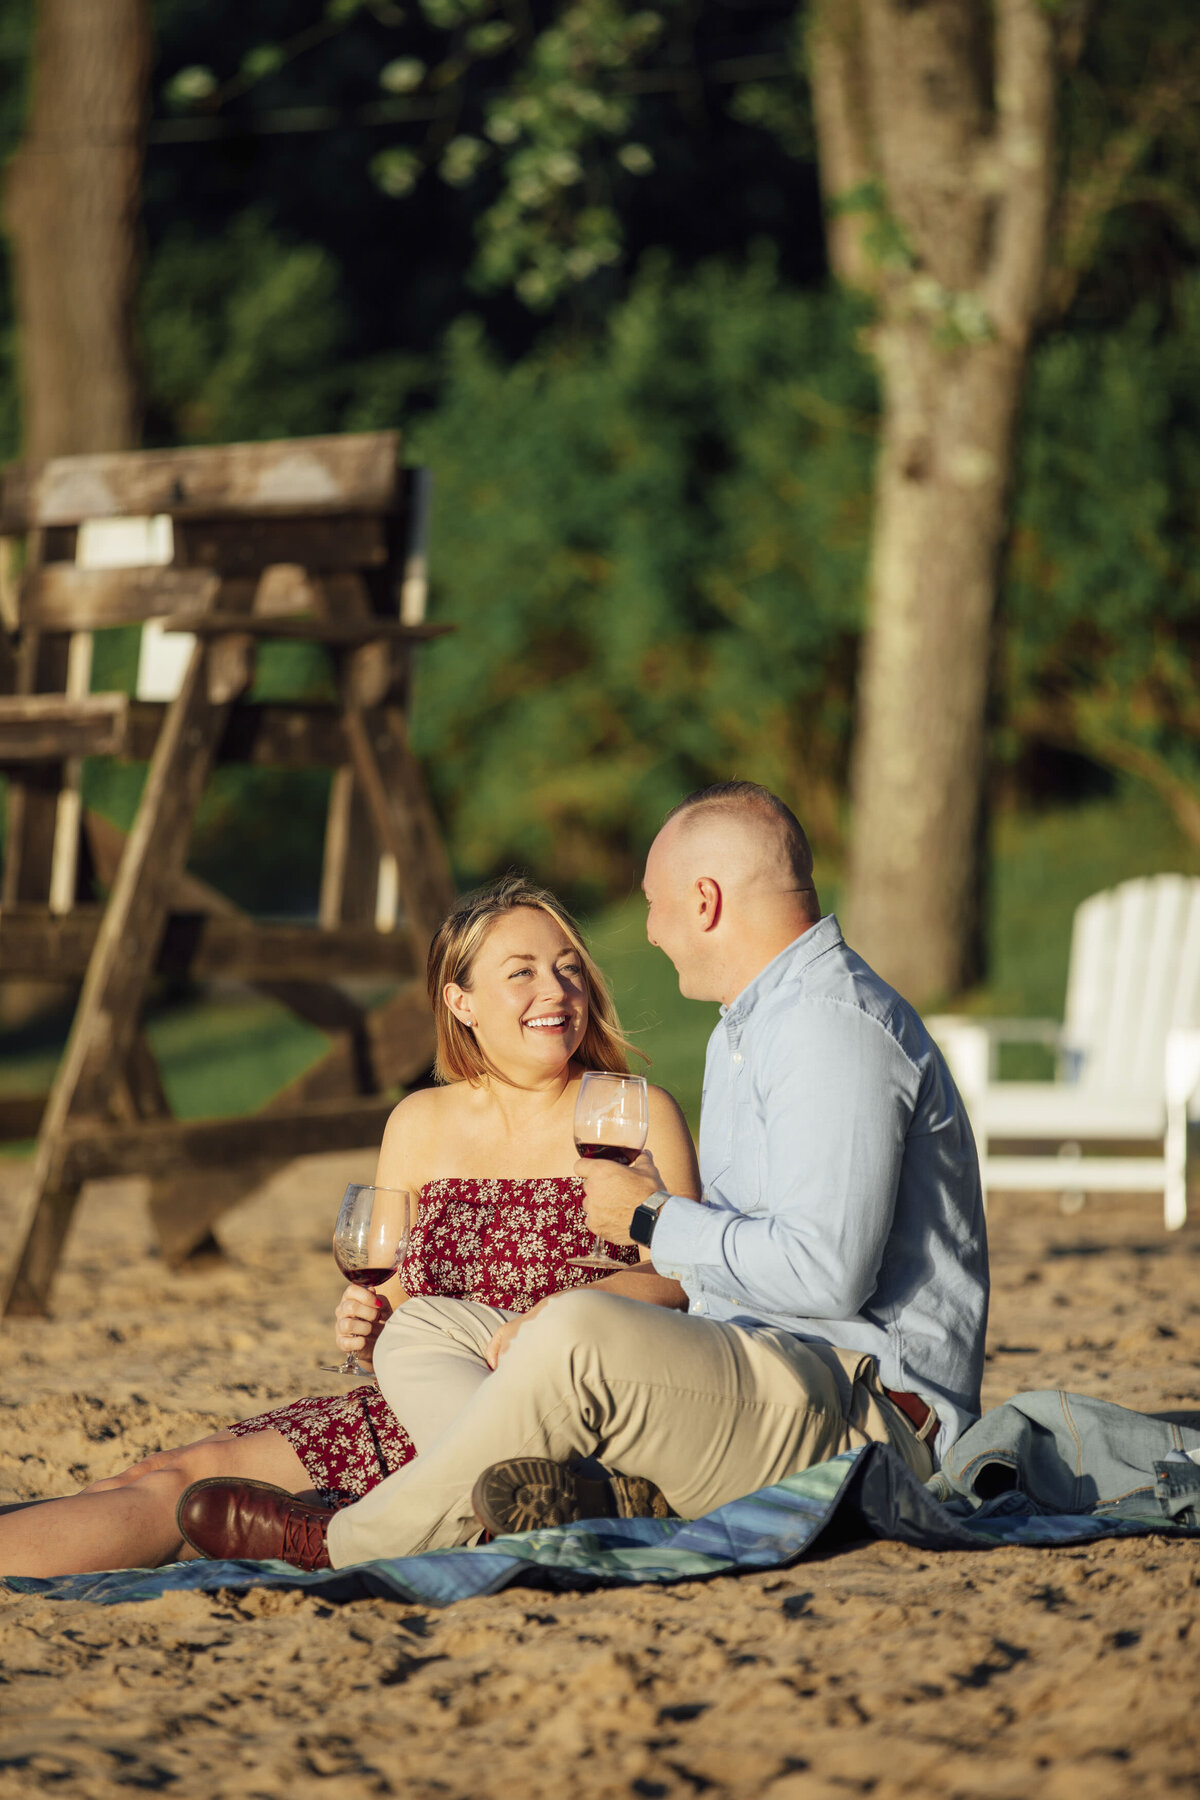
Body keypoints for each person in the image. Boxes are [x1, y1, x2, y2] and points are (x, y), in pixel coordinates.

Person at [177, 782, 988, 1571]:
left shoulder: (825, 1026)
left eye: (652, 901)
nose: (651, 927)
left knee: (570, 1330)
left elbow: (828, 1273)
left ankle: (347, 1540)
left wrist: (652, 1220)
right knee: (426, 1325)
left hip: (861, 1419)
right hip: (749, 1377)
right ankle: (563, 1491)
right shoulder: (749, 1028)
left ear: (703, 901)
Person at [0, 877, 699, 1577]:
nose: (556, 990)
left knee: (185, 1505)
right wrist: (370, 1331)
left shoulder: (633, 1113)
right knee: (174, 1473)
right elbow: (396, 1306)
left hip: (563, 1423)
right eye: (522, 973)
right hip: (418, 1414)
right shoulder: (419, 1124)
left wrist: (557, 1315)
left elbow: (683, 1281)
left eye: (568, 969)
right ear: (461, 1002)